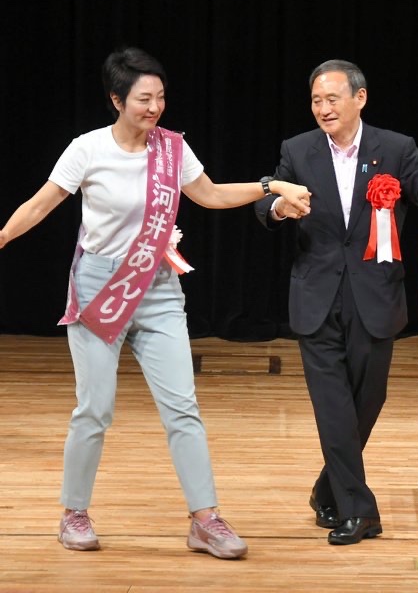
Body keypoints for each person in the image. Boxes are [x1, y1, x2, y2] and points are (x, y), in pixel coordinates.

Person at [0, 47, 311, 559]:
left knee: (182, 406)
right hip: (100, 289)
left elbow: (210, 195)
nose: (155, 108)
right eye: (144, 99)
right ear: (116, 100)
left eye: (160, 97)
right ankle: (74, 512)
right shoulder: (87, 149)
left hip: (159, 288)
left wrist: (269, 184)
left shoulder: (172, 148)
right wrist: (4, 237)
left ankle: (205, 519)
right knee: (94, 409)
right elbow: (40, 204)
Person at [254, 59, 418, 546]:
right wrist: (278, 206)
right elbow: (266, 199)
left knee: (366, 401)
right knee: (332, 405)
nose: (323, 109)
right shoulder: (298, 150)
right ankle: (360, 510)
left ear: (360, 98)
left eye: (332, 99)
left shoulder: (394, 149)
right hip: (316, 295)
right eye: (316, 101)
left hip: (374, 295)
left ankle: (327, 490)